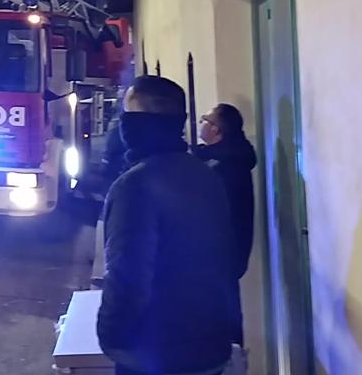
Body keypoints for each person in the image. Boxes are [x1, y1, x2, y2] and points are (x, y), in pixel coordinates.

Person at [97, 76, 237, 375]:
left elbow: (127, 277)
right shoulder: (205, 175)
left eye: (128, 116)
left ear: (138, 124)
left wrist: (111, 338)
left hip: (157, 356)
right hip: (209, 349)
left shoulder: (135, 185)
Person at [196, 103, 257, 344]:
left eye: (205, 119)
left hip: (218, 259)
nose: (201, 123)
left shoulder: (224, 167)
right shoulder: (225, 160)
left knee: (222, 324)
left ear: (216, 130)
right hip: (225, 258)